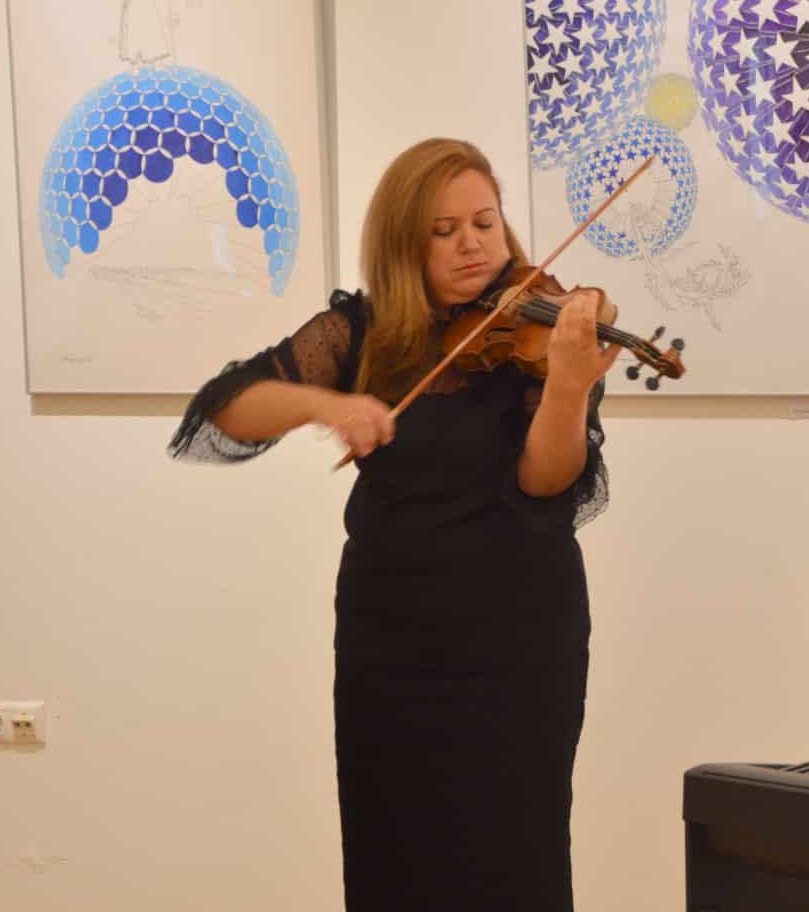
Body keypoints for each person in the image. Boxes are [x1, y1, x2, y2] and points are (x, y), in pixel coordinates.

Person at [169, 138, 620, 910]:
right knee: (394, 855)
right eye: (444, 230)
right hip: (391, 643)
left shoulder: (545, 331)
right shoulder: (362, 332)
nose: (473, 243)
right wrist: (324, 404)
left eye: (485, 222)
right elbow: (226, 408)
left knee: (516, 855)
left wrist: (569, 389)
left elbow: (545, 485)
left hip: (518, 642)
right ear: (402, 244)